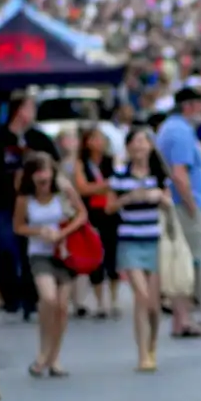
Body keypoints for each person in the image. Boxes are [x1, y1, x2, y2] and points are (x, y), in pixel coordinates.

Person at [0, 96, 59, 318]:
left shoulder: (39, 138)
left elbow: (56, 165)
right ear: (18, 111)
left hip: (34, 205)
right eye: (29, 107)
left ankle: (31, 297)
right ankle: (10, 295)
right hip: (5, 204)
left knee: (30, 251)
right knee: (6, 247)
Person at [14, 153, 88, 378]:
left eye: (47, 178)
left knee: (62, 307)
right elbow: (18, 227)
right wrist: (40, 232)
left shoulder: (63, 192)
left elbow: (82, 214)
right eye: (39, 179)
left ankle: (54, 358)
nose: (44, 183)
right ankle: (43, 352)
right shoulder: (25, 199)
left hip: (64, 253)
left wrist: (62, 233)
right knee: (48, 298)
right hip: (39, 253)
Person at [106, 128, 173, 371]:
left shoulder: (159, 176)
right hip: (129, 240)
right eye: (135, 142)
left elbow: (169, 204)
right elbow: (109, 207)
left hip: (153, 241)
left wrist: (159, 197)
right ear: (128, 148)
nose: (140, 146)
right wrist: (129, 198)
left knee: (154, 305)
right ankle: (142, 353)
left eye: (144, 142)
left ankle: (152, 344)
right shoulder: (119, 176)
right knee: (141, 298)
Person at [155, 87, 201, 337]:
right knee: (188, 262)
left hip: (178, 202)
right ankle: (183, 319)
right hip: (184, 204)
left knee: (182, 259)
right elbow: (180, 174)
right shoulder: (180, 132)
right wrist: (191, 204)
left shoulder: (170, 128)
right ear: (189, 106)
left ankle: (183, 317)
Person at [73, 126, 119, 319]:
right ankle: (100, 301)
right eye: (94, 138)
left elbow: (117, 183)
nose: (98, 142)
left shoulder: (110, 161)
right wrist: (104, 186)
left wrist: (101, 188)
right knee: (95, 255)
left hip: (110, 211)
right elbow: (82, 188)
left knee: (113, 255)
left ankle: (114, 301)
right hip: (91, 214)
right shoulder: (81, 163)